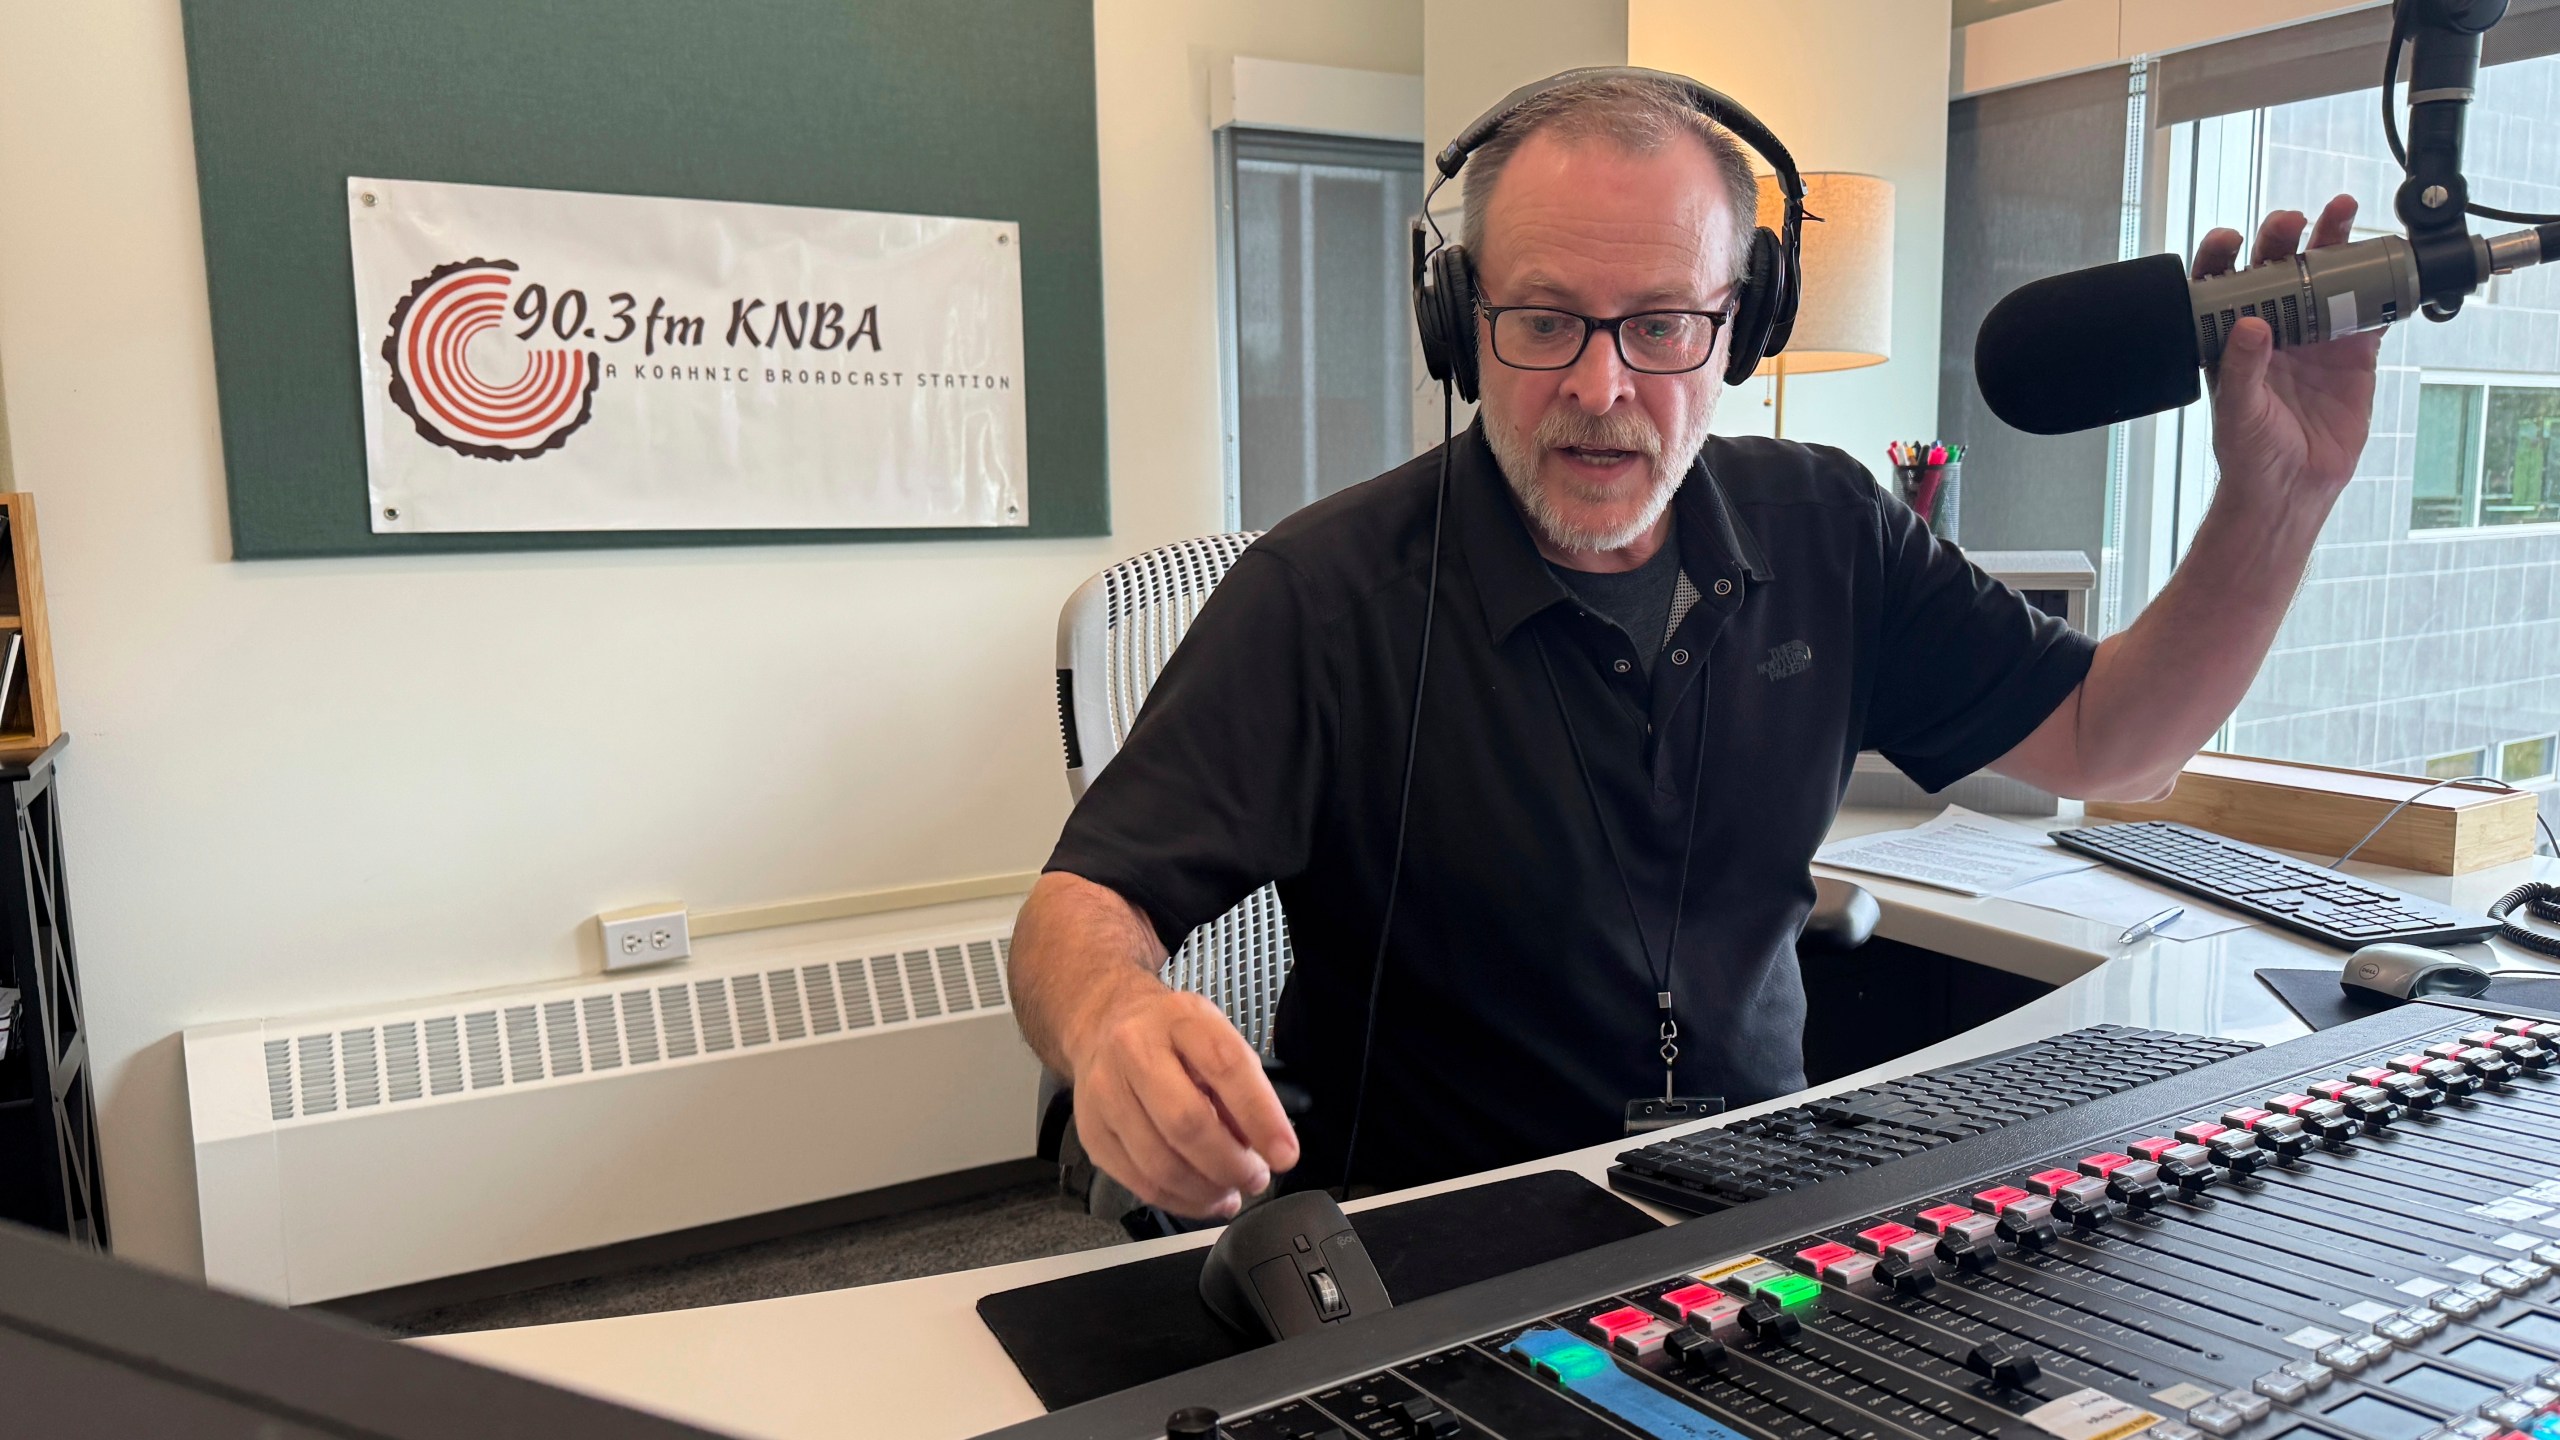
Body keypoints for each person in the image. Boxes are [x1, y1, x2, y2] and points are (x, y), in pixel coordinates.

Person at [1009, 72, 2381, 1219]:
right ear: (1459, 323)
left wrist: (2277, 497)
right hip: (1437, 1255)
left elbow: (2112, 742)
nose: (1600, 389)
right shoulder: (1323, 594)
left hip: (1762, 1228)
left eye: (1662, 324)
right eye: (1543, 321)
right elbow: (1076, 913)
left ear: (1743, 326)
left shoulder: (1832, 529)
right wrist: (1110, 1023)